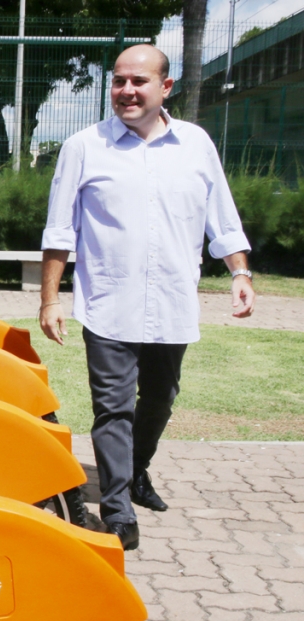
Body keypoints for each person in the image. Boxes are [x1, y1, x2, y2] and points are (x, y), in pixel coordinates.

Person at [38, 43, 255, 552]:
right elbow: (59, 230)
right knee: (113, 409)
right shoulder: (84, 147)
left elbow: (221, 215)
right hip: (109, 303)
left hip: (174, 301)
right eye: (119, 81)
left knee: (161, 398)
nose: (127, 91)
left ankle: (136, 471)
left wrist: (239, 271)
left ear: (165, 87)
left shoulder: (196, 145)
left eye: (138, 82)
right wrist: (51, 300)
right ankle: (116, 509)